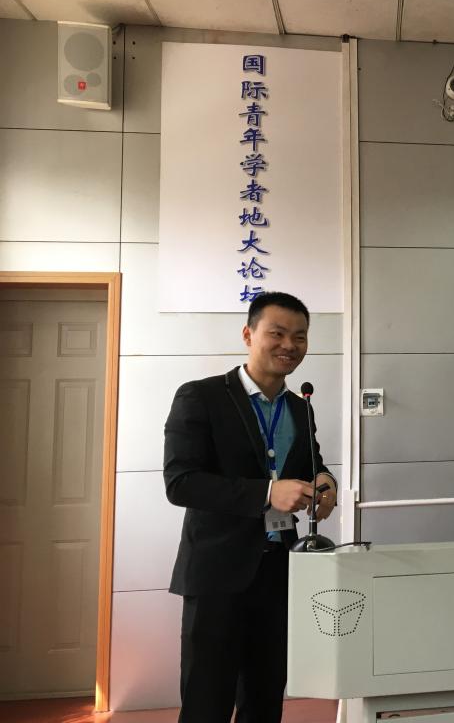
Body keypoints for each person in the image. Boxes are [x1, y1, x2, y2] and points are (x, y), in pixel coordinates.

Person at [164, 291, 337, 723]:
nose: (289, 345)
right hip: (217, 575)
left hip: (278, 573)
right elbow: (181, 482)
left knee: (264, 700)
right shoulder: (201, 396)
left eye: (300, 336)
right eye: (277, 333)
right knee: (206, 702)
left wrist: (325, 482)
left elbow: (312, 463)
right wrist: (267, 493)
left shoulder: (299, 407)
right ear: (248, 334)